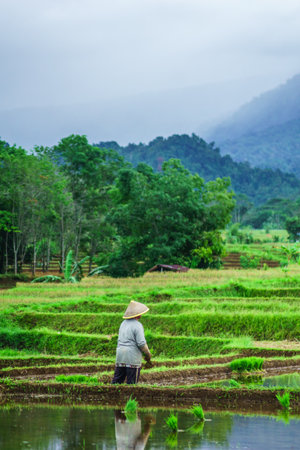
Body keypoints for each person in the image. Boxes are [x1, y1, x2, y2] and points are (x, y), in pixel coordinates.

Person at [112, 300, 151, 384]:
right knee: (132, 384)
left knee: (117, 381)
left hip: (120, 355)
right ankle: (130, 397)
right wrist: (148, 354)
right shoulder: (138, 325)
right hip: (132, 357)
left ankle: (112, 396)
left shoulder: (123, 323)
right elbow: (141, 343)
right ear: (138, 315)